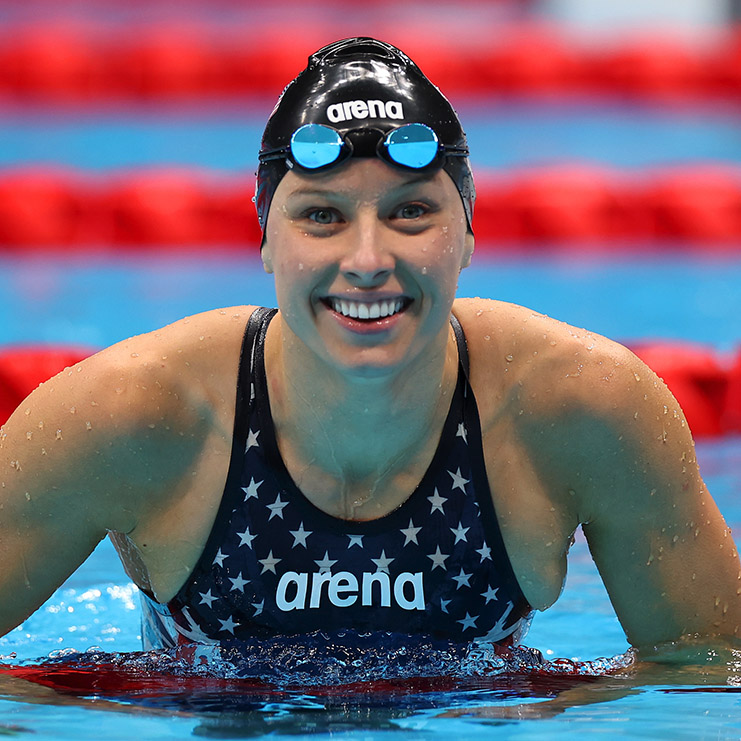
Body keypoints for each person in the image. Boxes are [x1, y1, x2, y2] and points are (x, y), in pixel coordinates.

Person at [0, 38, 739, 660]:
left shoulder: (584, 408)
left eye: (410, 211)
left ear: (469, 232)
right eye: (321, 216)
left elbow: (710, 670)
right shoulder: (131, 414)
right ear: (266, 240)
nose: (366, 257)